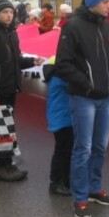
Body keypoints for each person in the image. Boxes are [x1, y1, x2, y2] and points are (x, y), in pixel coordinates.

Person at [56, 0, 109, 217]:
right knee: (83, 149)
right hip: (84, 99)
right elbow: (63, 64)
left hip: (106, 96)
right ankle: (80, 198)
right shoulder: (72, 27)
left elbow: (105, 59)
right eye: (105, 1)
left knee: (100, 147)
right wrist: (86, 84)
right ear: (91, 3)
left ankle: (94, 188)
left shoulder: (107, 26)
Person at [0, 0, 44, 181]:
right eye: (5, 12)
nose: (9, 15)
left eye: (11, 12)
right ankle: (2, 166)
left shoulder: (12, 33)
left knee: (7, 127)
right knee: (1, 128)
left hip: (11, 86)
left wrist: (31, 61)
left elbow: (15, 60)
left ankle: (6, 162)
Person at [43, 57, 72, 196]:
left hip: (61, 117)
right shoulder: (61, 78)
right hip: (63, 118)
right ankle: (56, 183)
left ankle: (65, 180)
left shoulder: (54, 76)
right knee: (62, 151)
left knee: (66, 150)